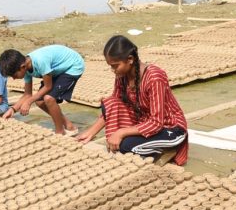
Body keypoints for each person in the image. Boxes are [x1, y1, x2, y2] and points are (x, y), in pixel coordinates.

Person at [75, 35, 188, 165]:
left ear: (130, 59)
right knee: (111, 103)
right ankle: (147, 146)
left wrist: (121, 132)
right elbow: (113, 106)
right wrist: (90, 132)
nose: (113, 70)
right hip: (143, 123)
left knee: (126, 146)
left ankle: (167, 149)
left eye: (115, 66)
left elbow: (157, 122)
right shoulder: (122, 75)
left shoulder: (154, 77)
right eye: (110, 66)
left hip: (169, 127)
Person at [0, 44, 85, 135]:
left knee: (49, 98)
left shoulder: (40, 61)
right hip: (58, 69)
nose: (14, 78)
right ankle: (69, 126)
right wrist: (13, 109)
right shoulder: (26, 67)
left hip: (73, 66)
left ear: (23, 67)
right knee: (40, 101)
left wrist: (28, 102)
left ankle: (60, 132)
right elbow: (27, 94)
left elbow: (48, 87)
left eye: (14, 75)